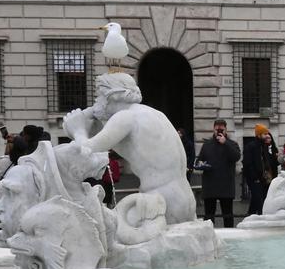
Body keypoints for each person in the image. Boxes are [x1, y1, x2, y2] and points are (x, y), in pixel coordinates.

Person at [62, 73, 195, 224]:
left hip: (161, 200)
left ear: (112, 96)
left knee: (113, 233)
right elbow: (100, 138)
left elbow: (86, 151)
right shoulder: (152, 114)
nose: (96, 101)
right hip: (183, 197)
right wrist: (82, 124)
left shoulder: (125, 118)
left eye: (99, 95)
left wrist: (78, 129)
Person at [195, 119, 241, 227]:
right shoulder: (207, 144)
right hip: (210, 185)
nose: (219, 131)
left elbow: (236, 157)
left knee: (228, 215)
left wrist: (225, 143)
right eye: (217, 129)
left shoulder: (232, 144)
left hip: (226, 186)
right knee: (209, 216)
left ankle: (230, 236)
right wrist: (200, 163)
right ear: (213, 129)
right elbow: (199, 160)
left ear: (226, 130)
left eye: (221, 129)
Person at [242, 125, 269, 216]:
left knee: (256, 199)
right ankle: (260, 217)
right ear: (259, 135)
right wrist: (254, 177)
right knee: (259, 201)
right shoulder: (251, 146)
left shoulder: (264, 146)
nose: (267, 136)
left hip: (262, 178)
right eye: (265, 134)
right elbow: (247, 163)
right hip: (254, 179)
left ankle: (250, 215)